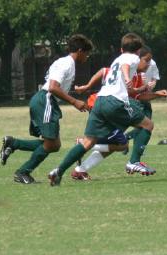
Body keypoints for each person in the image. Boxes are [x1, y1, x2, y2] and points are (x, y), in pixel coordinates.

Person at [48, 32, 156, 186]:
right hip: (115, 102)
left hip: (100, 101)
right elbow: (126, 67)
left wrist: (140, 88)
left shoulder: (116, 61)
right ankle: (134, 162)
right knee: (148, 125)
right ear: (138, 51)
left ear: (120, 49)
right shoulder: (132, 57)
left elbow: (124, 81)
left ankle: (58, 171)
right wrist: (127, 77)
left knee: (88, 142)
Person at [0, 34, 93, 184]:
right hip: (46, 100)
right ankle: (22, 172)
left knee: (54, 145)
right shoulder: (66, 63)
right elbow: (53, 87)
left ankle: (13, 143)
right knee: (51, 144)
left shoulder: (66, 63)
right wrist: (75, 102)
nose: (87, 57)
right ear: (80, 50)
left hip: (45, 100)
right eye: (87, 53)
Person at [71, 45, 167, 181]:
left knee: (117, 143)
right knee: (121, 143)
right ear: (137, 58)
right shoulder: (126, 67)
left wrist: (155, 93)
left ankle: (80, 170)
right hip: (107, 107)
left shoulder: (136, 74)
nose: (148, 65)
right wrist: (87, 86)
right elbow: (104, 71)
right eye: (146, 61)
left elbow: (137, 96)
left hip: (109, 107)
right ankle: (83, 144)